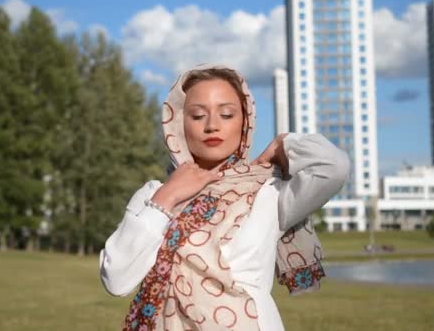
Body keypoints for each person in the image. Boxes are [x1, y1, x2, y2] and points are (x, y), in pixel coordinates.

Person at [99, 64, 350, 330]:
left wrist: (283, 144)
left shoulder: (268, 192)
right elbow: (116, 280)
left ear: (245, 121)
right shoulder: (154, 195)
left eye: (227, 114)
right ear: (177, 124)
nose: (212, 126)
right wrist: (168, 196)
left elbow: (334, 167)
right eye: (197, 116)